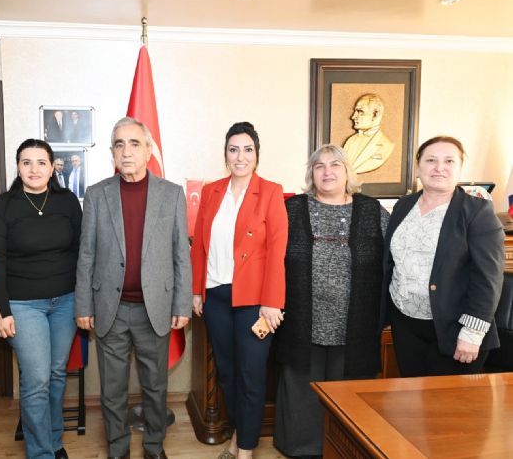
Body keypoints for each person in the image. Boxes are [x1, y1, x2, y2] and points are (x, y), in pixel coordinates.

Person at [75, 117, 192, 459]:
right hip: (110, 310)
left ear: (149, 150)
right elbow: (86, 253)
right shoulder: (97, 195)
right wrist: (84, 305)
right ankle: (118, 449)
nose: (126, 151)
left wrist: (182, 304)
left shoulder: (171, 194)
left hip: (154, 309)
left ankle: (154, 447)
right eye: (119, 144)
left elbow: (180, 254)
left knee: (155, 388)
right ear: (112, 152)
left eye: (134, 143)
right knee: (112, 391)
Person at [273, 144, 389, 459]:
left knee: (347, 390)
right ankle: (301, 449)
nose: (327, 172)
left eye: (335, 165)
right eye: (319, 166)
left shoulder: (371, 210)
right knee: (301, 386)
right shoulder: (291, 209)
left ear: (347, 172)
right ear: (311, 173)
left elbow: (395, 255)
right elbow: (269, 256)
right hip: (301, 319)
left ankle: (345, 448)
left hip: (355, 322)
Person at [190, 122, 288, 459]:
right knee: (227, 375)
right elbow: (199, 246)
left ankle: (245, 450)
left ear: (257, 155)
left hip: (254, 301)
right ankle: (239, 435)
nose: (240, 156)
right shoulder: (212, 191)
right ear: (226, 155)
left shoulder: (271, 192)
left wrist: (272, 302)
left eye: (247, 149)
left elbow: (277, 251)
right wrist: (197, 291)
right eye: (234, 150)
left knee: (251, 376)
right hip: (215, 297)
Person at [0, 139, 81, 459]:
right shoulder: (2, 205)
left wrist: (85, 301)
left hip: (66, 301)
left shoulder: (68, 202)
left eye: (42, 162)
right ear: (18, 167)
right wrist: (1, 310)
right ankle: (40, 453)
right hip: (23, 306)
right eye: (27, 162)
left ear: (53, 168)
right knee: (37, 379)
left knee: (56, 374)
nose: (34, 169)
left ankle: (53, 441)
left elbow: (82, 252)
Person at [382, 135, 504, 376]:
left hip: (456, 329)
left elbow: (488, 278)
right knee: (411, 395)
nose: (439, 168)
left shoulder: (477, 211)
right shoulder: (403, 206)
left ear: (459, 168)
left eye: (449, 161)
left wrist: (472, 333)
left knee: (445, 399)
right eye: (431, 160)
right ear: (418, 168)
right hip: (406, 325)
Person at [343, 94, 395, 174]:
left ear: (375, 114)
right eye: (355, 112)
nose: (353, 117)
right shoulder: (350, 141)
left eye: (360, 112)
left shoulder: (386, 145)